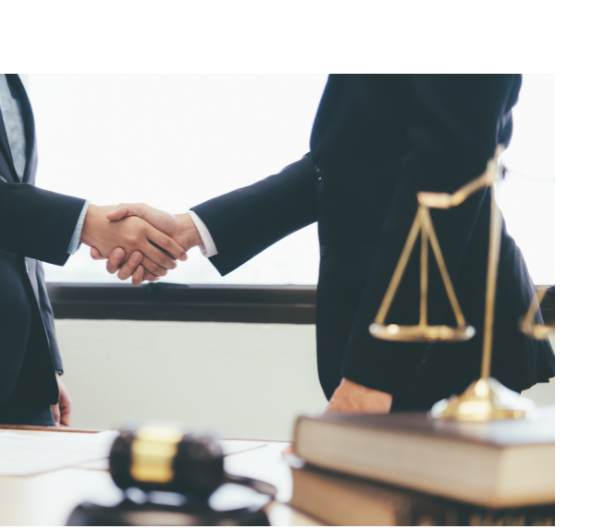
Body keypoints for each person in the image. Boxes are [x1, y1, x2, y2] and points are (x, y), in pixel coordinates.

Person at [94, 75, 555, 414]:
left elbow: (448, 170)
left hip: (440, 341)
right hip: (394, 340)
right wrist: (189, 228)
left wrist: (376, 372)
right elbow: (348, 161)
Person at [0, 74, 186, 426]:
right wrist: (86, 223)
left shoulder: (6, 77)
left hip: (20, 376)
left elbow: (14, 228)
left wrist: (44, 363)